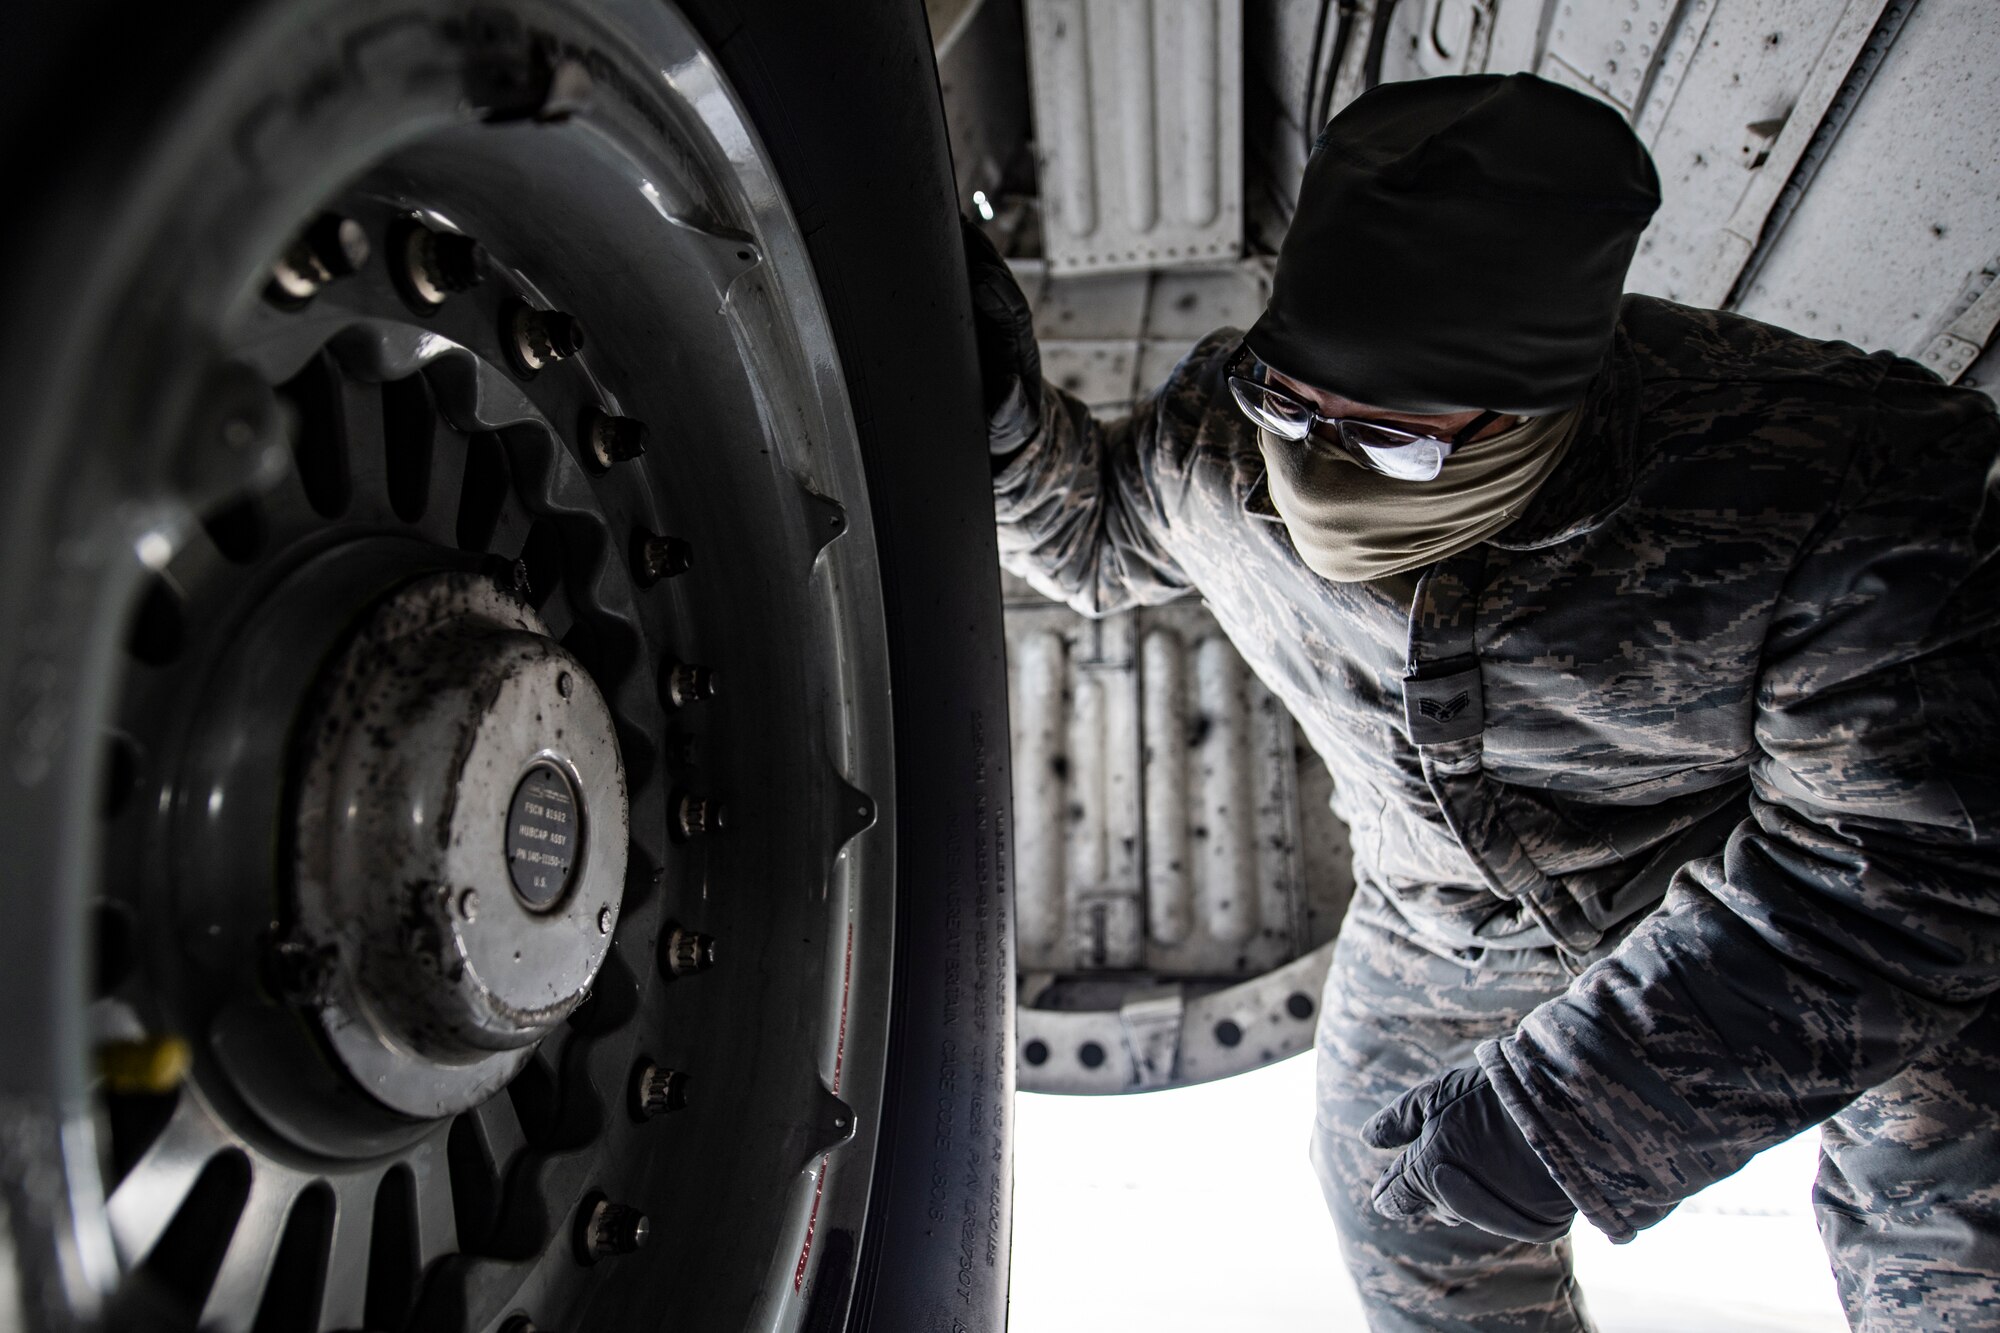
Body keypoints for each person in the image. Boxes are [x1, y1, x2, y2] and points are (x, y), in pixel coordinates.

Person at [969, 72, 2000, 1331]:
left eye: (1391, 435)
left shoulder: (1833, 480)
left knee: (1955, 1203)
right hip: (1437, 922)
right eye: (1291, 399)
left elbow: (1893, 868)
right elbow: (1090, 539)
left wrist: (1566, 1110)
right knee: (1401, 1217)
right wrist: (994, 413)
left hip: (1733, 896)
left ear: (1535, 396)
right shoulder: (1222, 439)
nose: (1316, 454)